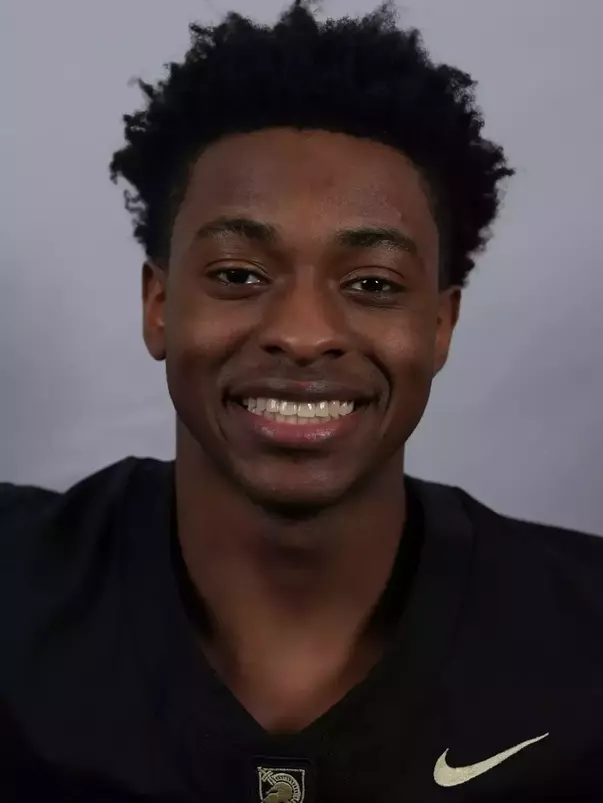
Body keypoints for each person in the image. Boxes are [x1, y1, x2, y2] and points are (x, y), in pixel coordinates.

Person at [1, 2, 601, 801]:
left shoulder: (582, 636)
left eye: (371, 284)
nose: (304, 332)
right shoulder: (16, 589)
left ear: (438, 325)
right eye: (239, 274)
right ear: (158, 304)